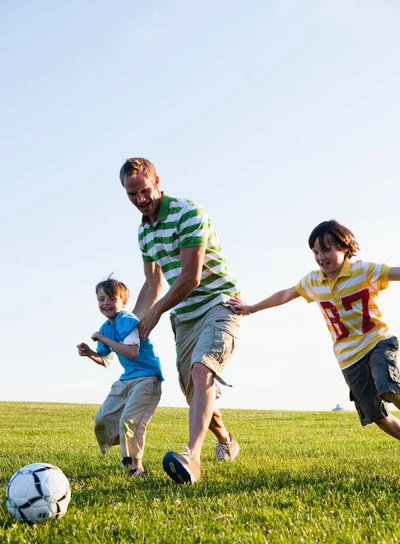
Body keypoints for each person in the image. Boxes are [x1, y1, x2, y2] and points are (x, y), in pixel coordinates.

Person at [119, 157, 241, 484]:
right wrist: (134, 324)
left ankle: (193, 459)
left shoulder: (188, 213)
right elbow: (152, 284)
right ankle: (226, 441)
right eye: (132, 195)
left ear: (157, 182)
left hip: (218, 304)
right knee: (195, 392)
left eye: (144, 190)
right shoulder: (144, 233)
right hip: (185, 318)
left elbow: (191, 278)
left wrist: (156, 312)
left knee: (202, 371)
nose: (140, 200)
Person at [229, 219, 400, 440]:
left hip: (377, 342)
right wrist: (252, 308)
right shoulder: (313, 282)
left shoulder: (364, 271)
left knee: (388, 387)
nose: (320, 257)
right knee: (377, 416)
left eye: (326, 250)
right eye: (315, 252)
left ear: (344, 248)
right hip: (348, 358)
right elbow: (285, 295)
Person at [77, 277, 163, 477]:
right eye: (101, 299)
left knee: (130, 420)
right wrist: (91, 353)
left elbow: (132, 352)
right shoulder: (106, 327)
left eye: (111, 299)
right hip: (127, 378)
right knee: (103, 417)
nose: (105, 303)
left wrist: (103, 338)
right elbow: (106, 359)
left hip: (147, 377)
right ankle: (126, 448)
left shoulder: (127, 320)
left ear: (123, 302)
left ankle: (137, 467)